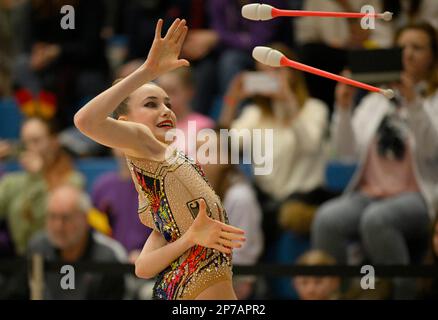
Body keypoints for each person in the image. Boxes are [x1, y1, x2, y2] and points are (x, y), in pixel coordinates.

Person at [74, 19, 246, 300]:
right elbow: (84, 120)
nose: (165, 109)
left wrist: (189, 238)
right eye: (151, 104)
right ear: (126, 123)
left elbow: (143, 267)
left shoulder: (167, 169)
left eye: (167, 102)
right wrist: (147, 70)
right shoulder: (144, 143)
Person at [312, 23, 438, 299]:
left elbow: (431, 152)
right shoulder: (375, 101)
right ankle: (342, 294)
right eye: (402, 47)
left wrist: (414, 101)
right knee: (326, 219)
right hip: (370, 194)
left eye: (418, 48)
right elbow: (345, 152)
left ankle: (404, 292)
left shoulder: (434, 101)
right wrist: (343, 108)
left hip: (417, 196)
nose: (408, 54)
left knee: (376, 219)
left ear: (433, 57)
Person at [219, 43, 332, 246]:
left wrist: (288, 99)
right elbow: (225, 147)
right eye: (262, 72)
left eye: (276, 70)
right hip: (266, 201)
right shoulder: (255, 115)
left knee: (288, 215)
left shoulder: (315, 109)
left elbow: (310, 145)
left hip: (304, 199)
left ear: (292, 73)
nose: (270, 77)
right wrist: (231, 100)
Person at [0, 117, 84, 256]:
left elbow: (50, 216)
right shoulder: (11, 183)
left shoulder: (72, 180)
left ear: (53, 142)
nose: (29, 148)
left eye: (36, 141)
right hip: (20, 261)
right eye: (24, 143)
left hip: (57, 259)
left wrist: (39, 176)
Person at [27, 184, 127, 300]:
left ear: (85, 219)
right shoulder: (37, 248)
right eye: (52, 217)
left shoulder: (107, 258)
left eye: (66, 218)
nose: (58, 226)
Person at [91, 148, 152, 263]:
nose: (124, 150)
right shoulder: (103, 187)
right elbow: (95, 231)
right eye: (119, 143)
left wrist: (148, 252)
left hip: (148, 262)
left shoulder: (154, 187)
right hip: (111, 263)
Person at [156, 67, 215, 155]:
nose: (165, 98)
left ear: (189, 92)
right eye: (160, 91)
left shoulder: (204, 126)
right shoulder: (151, 125)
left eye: (172, 91)